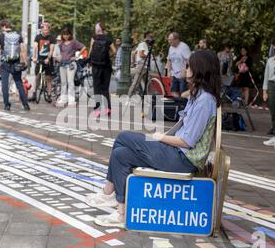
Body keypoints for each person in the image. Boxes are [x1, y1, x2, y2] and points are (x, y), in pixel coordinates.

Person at [85, 50, 221, 228]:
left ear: (200, 70)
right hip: (175, 153)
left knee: (123, 136)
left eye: (189, 66)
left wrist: (161, 138)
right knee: (121, 154)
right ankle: (121, 211)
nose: (186, 68)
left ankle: (108, 192)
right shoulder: (197, 96)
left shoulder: (205, 101)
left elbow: (188, 141)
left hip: (183, 158)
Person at [0, 19, 30, 112]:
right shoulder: (18, 36)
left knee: (5, 85)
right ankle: (25, 104)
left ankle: (7, 105)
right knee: (19, 84)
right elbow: (22, 50)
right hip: (16, 63)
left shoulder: (0, 36)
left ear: (3, 27)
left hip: (5, 63)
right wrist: (25, 62)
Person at [89, 22, 116, 118]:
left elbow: (91, 52)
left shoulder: (94, 38)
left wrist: (90, 62)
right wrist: (108, 57)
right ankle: (108, 108)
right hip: (106, 66)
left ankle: (97, 110)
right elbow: (114, 51)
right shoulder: (108, 39)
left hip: (96, 66)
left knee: (97, 88)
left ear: (97, 29)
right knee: (105, 88)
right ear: (103, 29)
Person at [56, 27, 86, 107]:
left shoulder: (74, 42)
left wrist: (77, 56)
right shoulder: (61, 43)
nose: (66, 36)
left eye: (67, 34)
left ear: (70, 34)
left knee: (70, 82)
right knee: (63, 82)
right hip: (62, 64)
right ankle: (63, 99)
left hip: (71, 64)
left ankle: (71, 100)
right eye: (64, 35)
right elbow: (57, 53)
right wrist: (57, 57)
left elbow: (83, 47)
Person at [31, 23, 56, 103]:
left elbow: (51, 49)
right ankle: (34, 94)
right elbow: (35, 47)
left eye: (46, 30)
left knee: (48, 78)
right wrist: (34, 57)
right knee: (37, 77)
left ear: (49, 30)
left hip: (48, 60)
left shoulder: (51, 38)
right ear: (41, 30)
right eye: (44, 30)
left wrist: (48, 58)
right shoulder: (38, 37)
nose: (45, 31)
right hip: (39, 59)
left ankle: (49, 95)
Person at [167, 32, 191, 98]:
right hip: (174, 74)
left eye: (170, 40)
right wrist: (169, 71)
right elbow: (169, 60)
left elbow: (189, 60)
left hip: (182, 75)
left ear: (176, 39)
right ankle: (178, 105)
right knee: (173, 91)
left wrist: (185, 71)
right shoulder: (171, 48)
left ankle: (184, 106)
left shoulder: (184, 47)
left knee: (183, 93)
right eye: (168, 39)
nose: (169, 41)